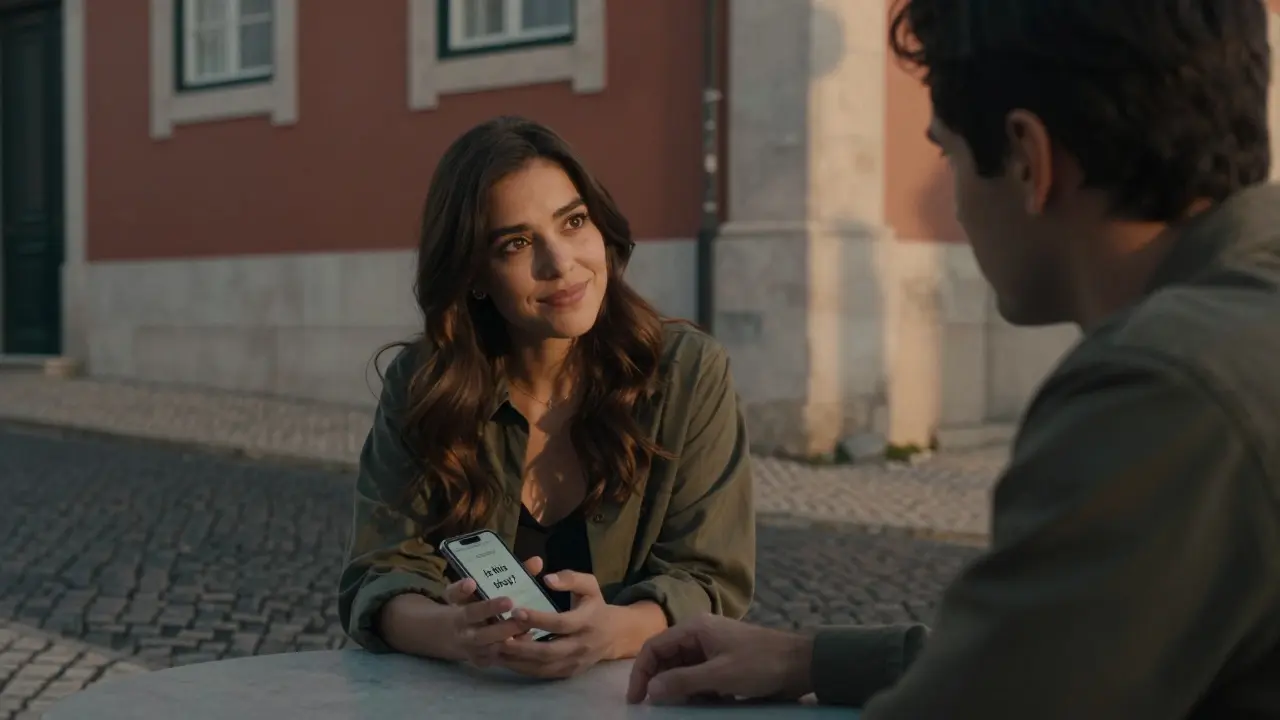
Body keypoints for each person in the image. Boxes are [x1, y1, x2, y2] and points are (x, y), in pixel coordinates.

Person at [627, 0, 1280, 717]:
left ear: (1029, 160)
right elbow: (1055, 654)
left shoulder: (1161, 384)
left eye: (949, 156)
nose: (957, 204)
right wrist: (806, 656)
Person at [338, 116, 755, 680]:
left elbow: (710, 579)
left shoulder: (687, 372)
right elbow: (378, 573)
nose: (560, 264)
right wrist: (456, 634)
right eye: (516, 242)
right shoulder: (424, 382)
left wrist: (613, 632)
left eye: (574, 222)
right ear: (475, 273)